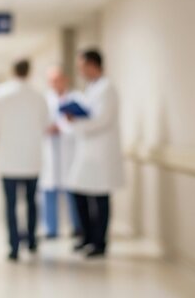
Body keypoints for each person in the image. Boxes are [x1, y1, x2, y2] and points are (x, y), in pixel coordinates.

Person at [65, 49, 124, 258]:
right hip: (87, 152)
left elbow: (101, 120)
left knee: (100, 198)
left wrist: (78, 121)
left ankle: (100, 242)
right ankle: (87, 237)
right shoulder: (91, 88)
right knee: (78, 192)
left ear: (92, 65)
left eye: (82, 67)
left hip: (102, 153)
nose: (80, 71)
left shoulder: (107, 88)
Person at [0, 59, 49, 261]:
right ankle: (31, 240)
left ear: (13, 71)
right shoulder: (39, 96)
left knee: (11, 204)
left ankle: (14, 246)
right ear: (29, 72)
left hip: (8, 159)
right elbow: (46, 123)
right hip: (32, 158)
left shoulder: (0, 94)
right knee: (32, 202)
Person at [40, 67, 82, 239]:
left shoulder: (76, 98)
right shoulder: (45, 100)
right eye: (51, 81)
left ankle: (77, 226)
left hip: (69, 149)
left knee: (72, 191)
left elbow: (81, 124)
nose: (55, 84)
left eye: (57, 79)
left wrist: (62, 128)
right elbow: (39, 122)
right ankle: (51, 229)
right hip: (50, 149)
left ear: (65, 79)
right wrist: (48, 128)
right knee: (49, 192)